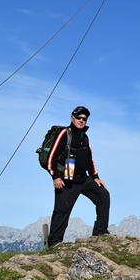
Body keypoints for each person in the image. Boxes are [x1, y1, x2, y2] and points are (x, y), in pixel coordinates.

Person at [46, 105, 110, 246]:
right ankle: (54, 243)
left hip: (83, 178)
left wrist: (95, 177)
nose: (81, 120)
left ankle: (100, 231)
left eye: (84, 119)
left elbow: (89, 159)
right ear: (72, 118)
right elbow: (51, 157)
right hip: (66, 180)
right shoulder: (64, 133)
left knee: (103, 195)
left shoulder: (84, 137)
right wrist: (55, 177)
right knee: (62, 211)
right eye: (79, 118)